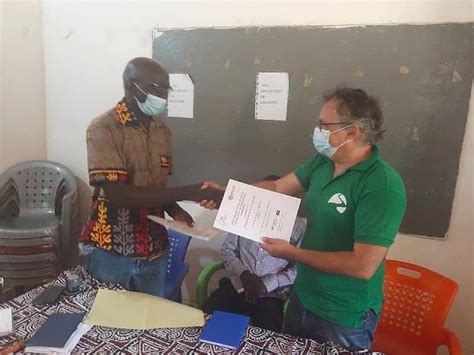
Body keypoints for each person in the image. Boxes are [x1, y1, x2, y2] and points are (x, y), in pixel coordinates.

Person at [200, 87, 407, 350]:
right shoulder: (323, 162)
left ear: (352, 132)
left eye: (324, 124)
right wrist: (227, 193)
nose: (317, 131)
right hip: (303, 298)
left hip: (342, 314)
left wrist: (293, 253)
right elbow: (276, 188)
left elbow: (362, 265)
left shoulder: (382, 186)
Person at [79, 57, 223, 298]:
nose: (162, 96)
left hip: (155, 249)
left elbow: (156, 187)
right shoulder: (103, 128)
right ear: (130, 85)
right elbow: (118, 195)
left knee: (149, 324)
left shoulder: (161, 132)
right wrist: (188, 192)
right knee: (109, 326)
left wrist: (174, 208)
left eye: (165, 89)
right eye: (154, 88)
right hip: (112, 251)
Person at [203, 175, 306, 332]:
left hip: (272, 295)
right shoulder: (245, 217)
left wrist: (266, 284)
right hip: (238, 286)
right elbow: (227, 249)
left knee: (267, 330)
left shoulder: (298, 227)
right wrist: (244, 275)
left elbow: (300, 268)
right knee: (210, 317)